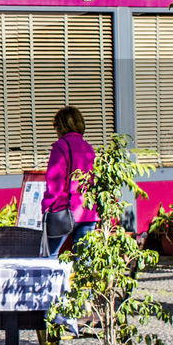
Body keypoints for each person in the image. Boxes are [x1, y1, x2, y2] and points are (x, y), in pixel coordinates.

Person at [42, 106, 98, 256]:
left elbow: (55, 183)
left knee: (50, 257)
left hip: (63, 210)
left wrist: (46, 207)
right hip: (87, 211)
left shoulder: (60, 147)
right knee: (84, 260)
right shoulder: (89, 148)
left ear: (61, 126)